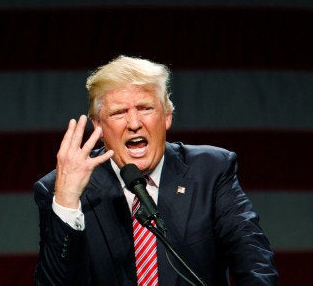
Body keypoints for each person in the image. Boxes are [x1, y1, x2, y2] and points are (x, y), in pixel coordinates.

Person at [34, 55, 278, 285]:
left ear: (167, 116)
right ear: (98, 125)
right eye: (119, 112)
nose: (134, 123)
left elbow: (254, 261)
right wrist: (66, 202)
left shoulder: (210, 171)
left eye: (145, 108)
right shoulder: (62, 189)